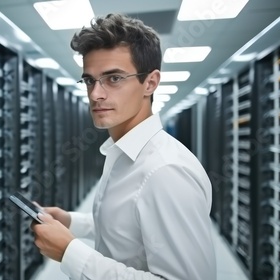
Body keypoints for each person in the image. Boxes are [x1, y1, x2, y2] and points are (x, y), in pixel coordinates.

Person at [31, 13, 216, 280]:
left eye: (114, 78)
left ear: (150, 83)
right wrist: (72, 222)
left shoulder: (165, 171)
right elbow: (131, 229)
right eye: (89, 80)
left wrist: (70, 252)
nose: (96, 94)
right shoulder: (123, 153)